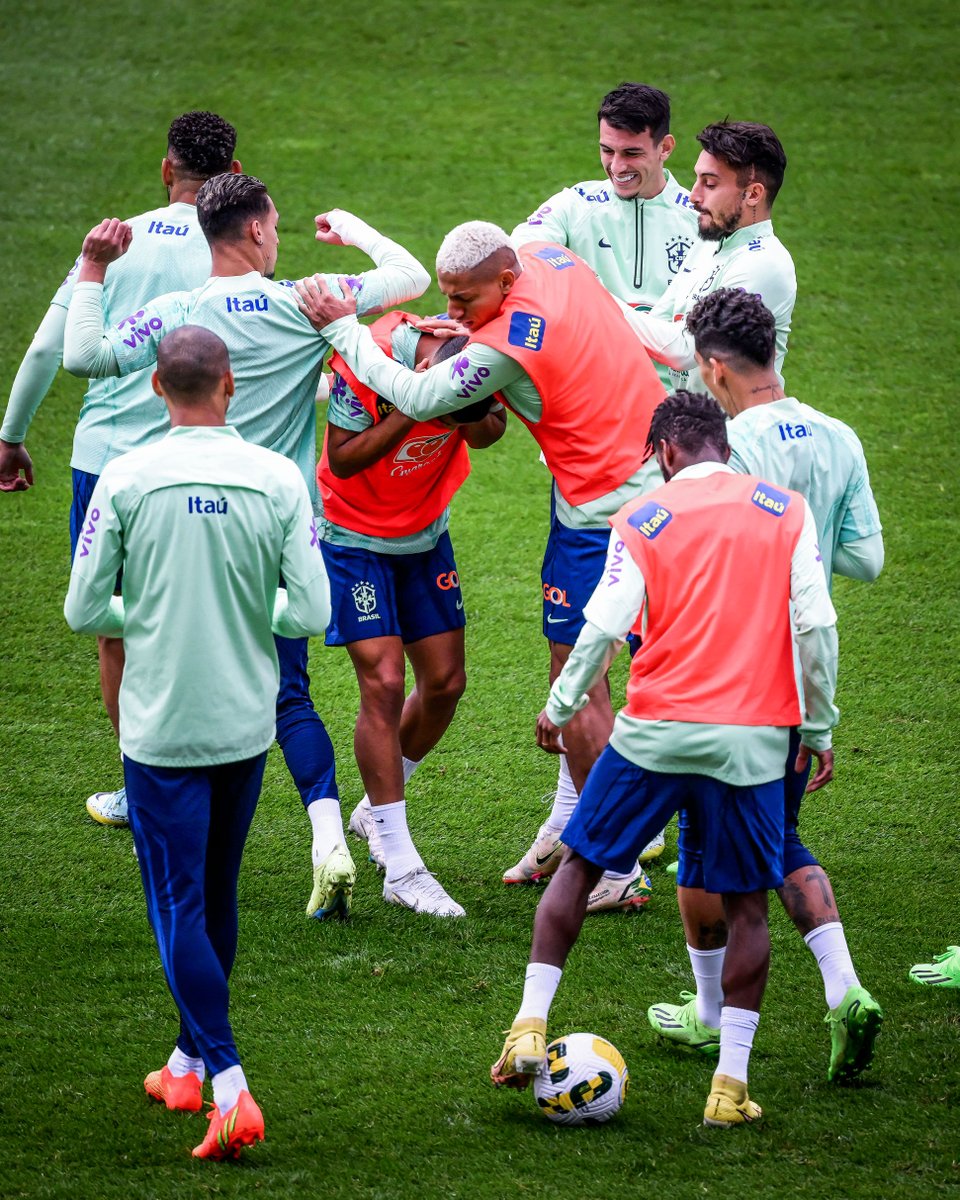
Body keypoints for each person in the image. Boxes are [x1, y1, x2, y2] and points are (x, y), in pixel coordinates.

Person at [62, 173, 431, 919]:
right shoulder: (308, 299)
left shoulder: (179, 315)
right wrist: (352, 227)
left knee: (165, 670)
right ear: (258, 230)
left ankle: (153, 809)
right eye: (279, 225)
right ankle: (329, 835)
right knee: (288, 693)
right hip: (276, 524)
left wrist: (94, 268)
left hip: (184, 526)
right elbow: (411, 276)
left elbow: (85, 356)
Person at [490, 390, 839, 1128]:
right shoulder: (786, 511)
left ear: (665, 452)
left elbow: (602, 626)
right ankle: (729, 1089)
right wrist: (816, 727)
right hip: (751, 740)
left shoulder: (641, 518)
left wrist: (560, 706)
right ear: (724, 448)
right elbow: (814, 626)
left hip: (653, 731)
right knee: (747, 906)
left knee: (580, 865)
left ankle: (528, 1025)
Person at [295, 220, 667, 912]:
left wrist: (345, 330)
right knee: (408, 679)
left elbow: (449, 409)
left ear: (505, 280)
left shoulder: (500, 346)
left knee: (575, 681)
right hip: (630, 484)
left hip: (598, 508)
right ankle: (542, 829)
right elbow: (354, 449)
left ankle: (614, 864)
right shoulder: (548, 254)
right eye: (449, 299)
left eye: (466, 300)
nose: (455, 312)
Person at [63, 325, 331, 1160]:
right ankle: (184, 1065)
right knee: (217, 893)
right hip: (245, 722)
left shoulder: (125, 478)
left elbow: (83, 609)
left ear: (155, 388)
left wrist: (146, 614)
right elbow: (311, 611)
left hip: (161, 729)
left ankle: (228, 1083)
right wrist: (251, 612)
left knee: (178, 901)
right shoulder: (278, 478)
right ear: (230, 386)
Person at [646, 289, 884, 1084]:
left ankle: (711, 1013)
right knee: (778, 838)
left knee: (701, 839)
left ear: (714, 368)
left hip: (731, 673)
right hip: (802, 676)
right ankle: (844, 989)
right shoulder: (840, 435)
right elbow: (867, 559)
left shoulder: (726, 446)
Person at [0, 110, 241, 826]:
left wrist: (11, 437)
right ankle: (213, 771)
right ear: (232, 173)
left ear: (167, 169)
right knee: (203, 621)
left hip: (106, 468)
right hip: (200, 463)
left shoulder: (111, 245)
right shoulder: (235, 247)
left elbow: (48, 349)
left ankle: (144, 789)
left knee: (118, 630)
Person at [512, 81, 698, 862]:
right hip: (589, 458)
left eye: (632, 153)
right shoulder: (575, 205)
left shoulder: (699, 220)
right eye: (606, 151)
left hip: (675, 465)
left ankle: (636, 832)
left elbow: (684, 346)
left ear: (665, 146)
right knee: (577, 651)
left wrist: (592, 302)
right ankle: (575, 819)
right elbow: (514, 254)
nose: (617, 166)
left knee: (659, 652)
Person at [319, 316, 506, 915]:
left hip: (424, 534)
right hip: (352, 536)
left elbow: (490, 430)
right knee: (384, 682)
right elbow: (342, 460)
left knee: (446, 682)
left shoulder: (476, 356)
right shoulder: (367, 362)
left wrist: (463, 413)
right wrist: (411, 406)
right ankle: (401, 867)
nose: (447, 427)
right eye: (443, 413)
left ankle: (375, 811)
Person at [624, 120, 796, 395]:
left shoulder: (764, 265)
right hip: (688, 416)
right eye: (697, 179)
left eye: (710, 184)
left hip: (735, 423)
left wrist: (596, 294)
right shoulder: (709, 244)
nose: (693, 195)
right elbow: (658, 323)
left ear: (753, 194)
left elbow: (686, 349)